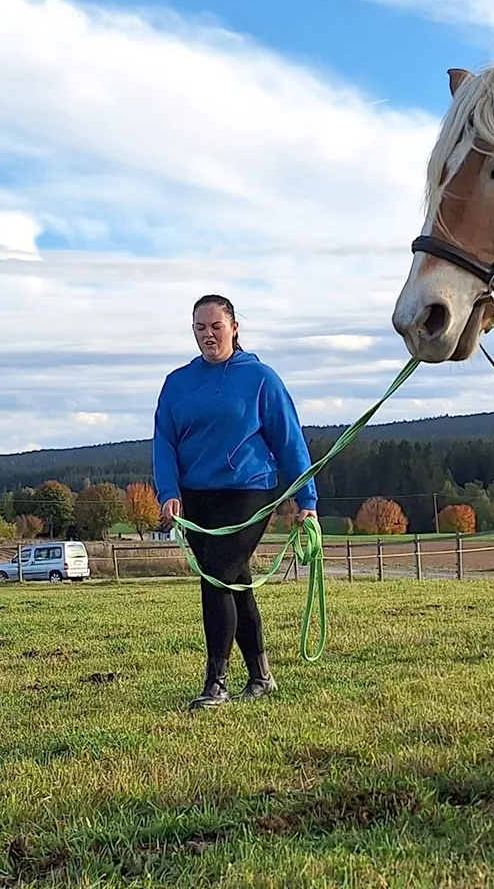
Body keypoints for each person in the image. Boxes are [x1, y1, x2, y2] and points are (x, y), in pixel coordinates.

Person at [152, 294, 317, 710]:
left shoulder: (260, 377)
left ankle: (216, 684)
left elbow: (289, 441)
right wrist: (169, 493)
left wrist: (306, 499)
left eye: (216, 326)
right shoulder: (177, 383)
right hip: (197, 497)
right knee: (235, 582)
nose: (208, 334)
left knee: (217, 575)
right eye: (200, 328)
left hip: (249, 490)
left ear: (234, 327)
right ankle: (261, 677)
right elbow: (164, 442)